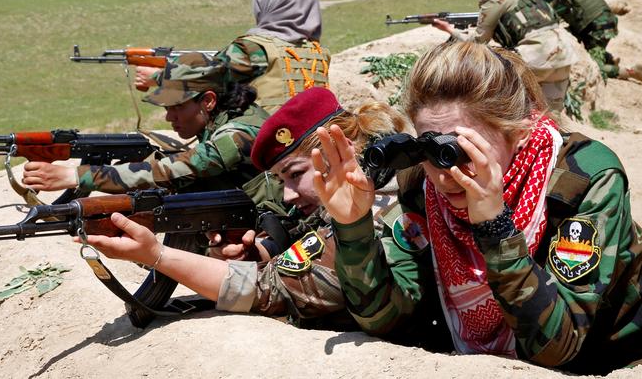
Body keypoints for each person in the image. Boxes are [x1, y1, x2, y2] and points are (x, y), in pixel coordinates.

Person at [312, 41, 642, 376]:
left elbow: (557, 344)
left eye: (463, 150)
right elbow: (383, 318)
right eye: (434, 151)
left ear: (518, 132)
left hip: (638, 352)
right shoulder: (423, 187)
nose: (445, 175)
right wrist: (355, 228)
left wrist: (495, 227)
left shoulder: (584, 176)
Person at [70, 87, 411, 330]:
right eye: (282, 181)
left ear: (339, 148)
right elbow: (299, 244)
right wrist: (259, 249)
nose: (289, 195)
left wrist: (156, 255)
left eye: (295, 175)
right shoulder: (374, 185)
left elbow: (267, 290)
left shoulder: (375, 209)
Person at [22, 51, 269, 195]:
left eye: (177, 107)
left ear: (208, 101)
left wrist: (76, 176)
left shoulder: (238, 134)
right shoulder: (226, 118)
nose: (169, 117)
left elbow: (176, 169)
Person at [134, 0, 330, 113]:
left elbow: (205, 77)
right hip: (312, 139)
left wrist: (155, 77)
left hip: (268, 146)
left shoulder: (253, 48)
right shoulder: (319, 53)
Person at [432, 0, 577, 113]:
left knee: (509, 106)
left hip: (537, 57)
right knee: (551, 115)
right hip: (564, 55)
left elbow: (479, 41)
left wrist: (449, 29)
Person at [552, 0, 642, 85]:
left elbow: (552, 13)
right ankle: (610, 58)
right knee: (578, 35)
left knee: (594, 67)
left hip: (598, 30)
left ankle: (631, 72)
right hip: (608, 24)